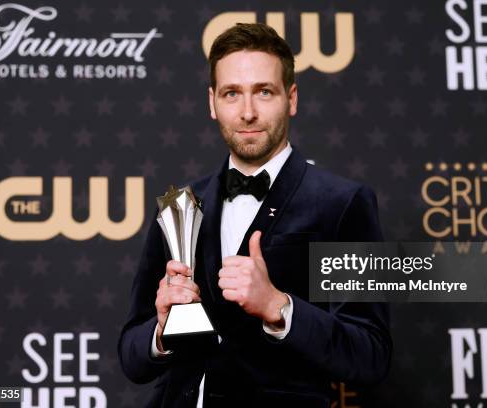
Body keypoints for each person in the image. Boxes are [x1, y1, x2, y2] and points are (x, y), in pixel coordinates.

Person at [118, 23, 391, 408]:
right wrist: (161, 331)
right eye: (232, 94)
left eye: (264, 91)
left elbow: (371, 354)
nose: (248, 112)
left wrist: (279, 307)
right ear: (212, 103)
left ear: (291, 98)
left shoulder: (343, 203)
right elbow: (131, 356)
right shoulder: (180, 205)